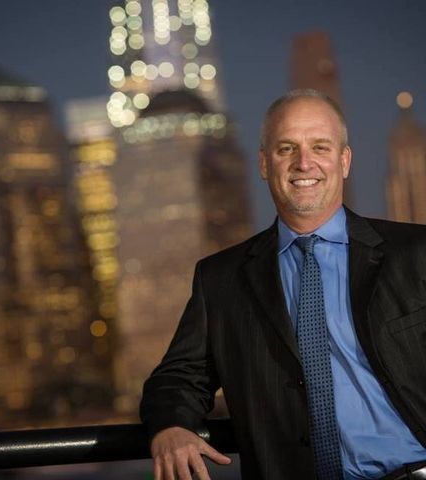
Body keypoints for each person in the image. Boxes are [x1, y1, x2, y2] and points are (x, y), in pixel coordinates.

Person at [139, 89, 426, 480]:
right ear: (263, 163)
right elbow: (178, 377)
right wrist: (171, 427)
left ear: (344, 161)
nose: (303, 163)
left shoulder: (415, 253)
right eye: (286, 148)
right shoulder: (221, 279)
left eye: (320, 147)